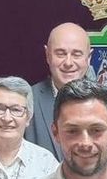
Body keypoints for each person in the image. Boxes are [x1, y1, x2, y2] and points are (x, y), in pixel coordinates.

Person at [24, 22, 93, 160]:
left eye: (76, 54)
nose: (68, 62)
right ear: (47, 55)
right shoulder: (25, 100)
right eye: (60, 54)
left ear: (89, 57)